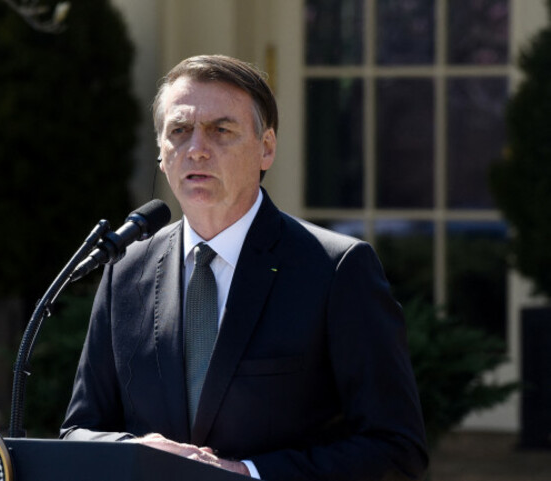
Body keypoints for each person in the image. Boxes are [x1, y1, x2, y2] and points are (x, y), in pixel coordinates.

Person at [61, 54, 429, 480]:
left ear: (266, 148)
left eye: (221, 130)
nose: (196, 148)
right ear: (162, 153)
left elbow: (397, 448)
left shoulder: (335, 269)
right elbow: (79, 433)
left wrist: (247, 473)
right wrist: (137, 451)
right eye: (179, 131)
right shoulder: (126, 269)